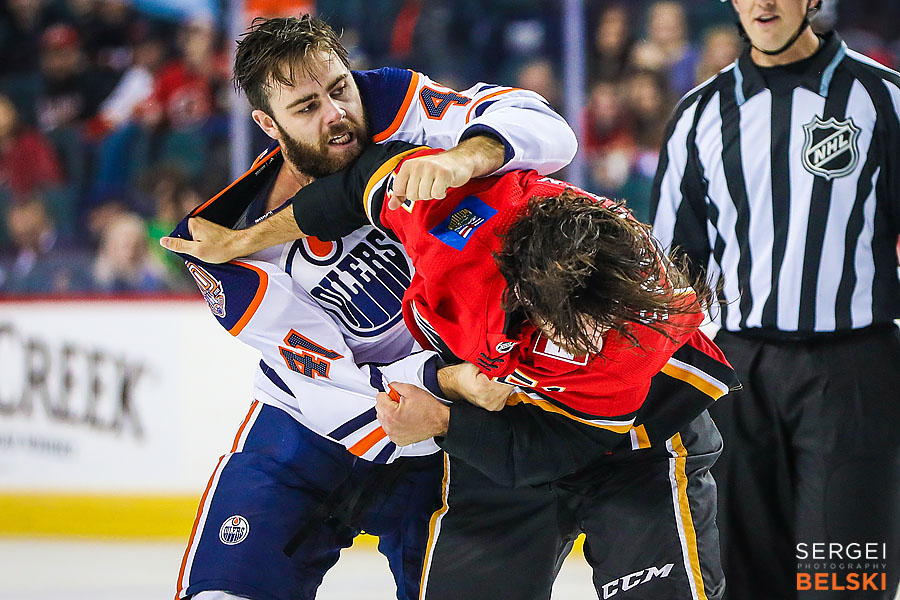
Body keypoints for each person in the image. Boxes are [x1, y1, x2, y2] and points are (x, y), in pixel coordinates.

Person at [171, 138, 740, 599]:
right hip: (500, 451)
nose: (583, 343)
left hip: (635, 445)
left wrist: (446, 421)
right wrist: (246, 239)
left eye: (595, 325)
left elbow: (559, 447)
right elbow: (356, 184)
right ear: (518, 287)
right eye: (567, 326)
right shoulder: (461, 231)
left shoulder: (637, 333)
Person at [159, 14, 577, 600]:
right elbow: (332, 382)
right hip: (308, 433)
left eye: (339, 88)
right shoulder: (226, 243)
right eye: (305, 107)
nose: (335, 114)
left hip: (452, 441)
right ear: (266, 124)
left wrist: (464, 158)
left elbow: (549, 130)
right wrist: (447, 380)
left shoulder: (399, 107)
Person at [651, 1, 900, 598]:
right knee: (745, 577)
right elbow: (668, 272)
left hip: (854, 375)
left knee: (844, 580)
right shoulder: (698, 116)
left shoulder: (883, 100)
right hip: (736, 378)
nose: (764, 3)